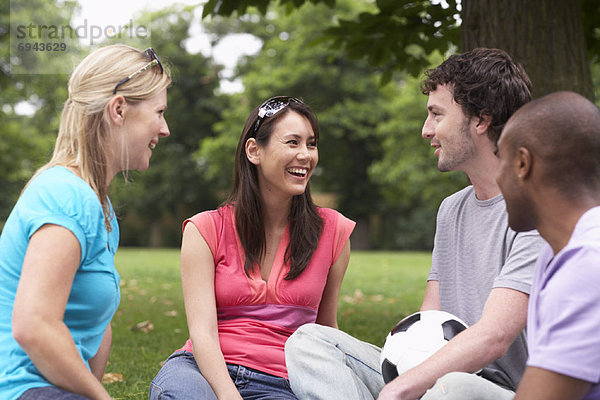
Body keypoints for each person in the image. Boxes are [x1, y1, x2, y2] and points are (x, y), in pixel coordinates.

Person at [285, 48, 545, 400]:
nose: (426, 131)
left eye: (437, 115)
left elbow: (494, 337)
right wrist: (408, 374)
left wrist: (401, 389)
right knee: (310, 342)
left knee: (451, 387)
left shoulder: (537, 210)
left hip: (508, 391)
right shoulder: (451, 210)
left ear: (481, 120)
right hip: (440, 378)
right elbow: (430, 320)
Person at [149, 96, 355, 400]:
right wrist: (228, 395)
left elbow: (325, 330)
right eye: (293, 142)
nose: (306, 155)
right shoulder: (205, 230)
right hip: (203, 371)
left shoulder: (333, 232)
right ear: (254, 151)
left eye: (311, 144)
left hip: (282, 382)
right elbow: (202, 333)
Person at [0, 44, 171, 400]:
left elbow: (95, 328)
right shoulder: (66, 195)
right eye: (159, 112)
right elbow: (33, 326)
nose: (165, 128)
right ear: (119, 109)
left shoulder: (99, 206)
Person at [496, 91, 600, 400]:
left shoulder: (587, 266)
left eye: (500, 160)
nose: (498, 178)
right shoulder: (557, 254)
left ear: (522, 163)